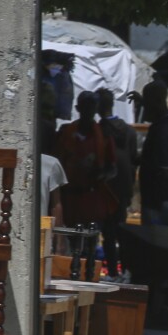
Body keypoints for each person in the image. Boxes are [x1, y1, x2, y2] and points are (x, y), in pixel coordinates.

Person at [56, 91, 119, 243]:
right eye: (86, 106)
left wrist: (102, 174)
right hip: (71, 199)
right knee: (72, 242)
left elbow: (113, 167)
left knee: (91, 242)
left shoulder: (103, 134)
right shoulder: (66, 132)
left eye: (92, 106)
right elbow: (56, 163)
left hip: (92, 198)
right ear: (78, 108)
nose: (89, 110)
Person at [96, 88, 139, 277]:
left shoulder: (98, 131)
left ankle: (112, 271)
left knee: (107, 233)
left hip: (104, 189)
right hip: (123, 188)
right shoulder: (129, 131)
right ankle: (127, 270)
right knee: (122, 231)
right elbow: (132, 162)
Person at [139, 82, 168, 227]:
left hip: (157, 204)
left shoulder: (163, 130)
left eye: (146, 104)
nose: (144, 109)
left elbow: (164, 171)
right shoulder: (165, 124)